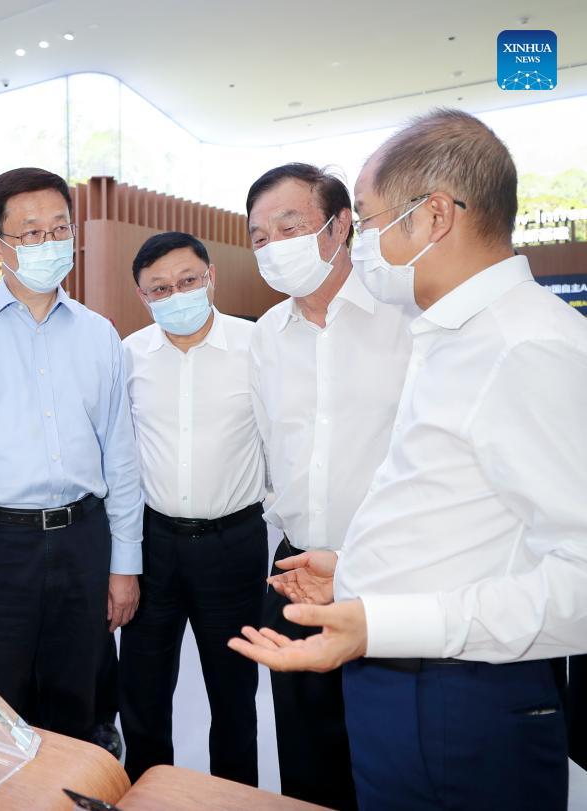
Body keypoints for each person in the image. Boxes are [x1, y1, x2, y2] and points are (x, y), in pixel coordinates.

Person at [230, 109, 587, 811]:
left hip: (464, 692)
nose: (361, 245)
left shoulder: (525, 346)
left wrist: (380, 622)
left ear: (434, 216)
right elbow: (458, 516)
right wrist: (353, 572)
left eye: (366, 221)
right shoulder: (453, 336)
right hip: (406, 675)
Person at [0, 167, 143, 743]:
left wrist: (124, 564)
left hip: (82, 540)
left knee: (78, 706)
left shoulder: (99, 334)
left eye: (60, 229)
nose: (49, 243)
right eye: (31, 232)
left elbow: (120, 456)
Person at [245, 163, 412, 809]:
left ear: (340, 226)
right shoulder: (266, 335)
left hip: (390, 574)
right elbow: (271, 445)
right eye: (259, 237)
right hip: (295, 571)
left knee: (390, 757)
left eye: (289, 228)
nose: (272, 247)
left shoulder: (403, 317)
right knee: (307, 761)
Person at [118, 232, 268, 785]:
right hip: (153, 544)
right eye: (160, 288)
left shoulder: (257, 346)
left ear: (211, 278)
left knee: (234, 694)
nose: (176, 294)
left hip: (234, 543)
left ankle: (234, 797)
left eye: (187, 281)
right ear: (143, 296)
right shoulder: (128, 355)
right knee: (143, 689)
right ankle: (146, 792)